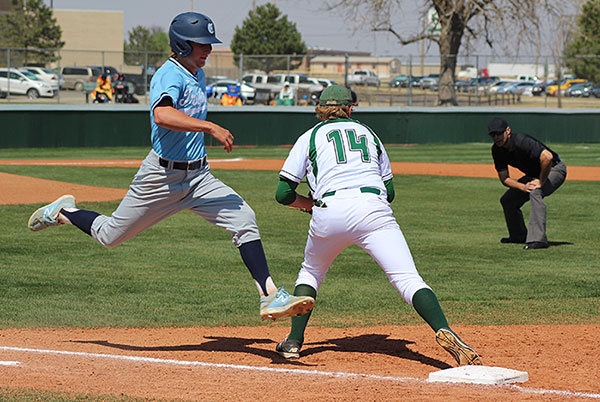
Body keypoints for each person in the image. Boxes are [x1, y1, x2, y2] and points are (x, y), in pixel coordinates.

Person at [27, 11, 314, 321]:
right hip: (160, 177)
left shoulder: (197, 72)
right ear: (181, 45)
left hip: (199, 177)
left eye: (209, 44)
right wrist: (209, 127)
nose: (208, 50)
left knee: (244, 218)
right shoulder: (169, 74)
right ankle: (63, 212)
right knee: (111, 235)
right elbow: (162, 115)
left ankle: (269, 295)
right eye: (201, 44)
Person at [273, 84, 482, 366]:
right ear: (351, 109)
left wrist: (309, 205)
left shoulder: (309, 136)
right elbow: (390, 191)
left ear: (320, 109)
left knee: (311, 272)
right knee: (408, 279)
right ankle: (443, 328)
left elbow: (283, 194)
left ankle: (293, 342)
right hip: (373, 208)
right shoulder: (369, 133)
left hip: (330, 210)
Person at [488, 117, 567, 250]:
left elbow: (547, 157)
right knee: (508, 200)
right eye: (493, 135)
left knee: (536, 191)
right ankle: (518, 236)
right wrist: (523, 187)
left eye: (499, 133)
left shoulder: (521, 141)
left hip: (554, 169)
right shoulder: (497, 150)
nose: (496, 137)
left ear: (508, 131)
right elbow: (504, 178)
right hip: (534, 175)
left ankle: (538, 240)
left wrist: (541, 182)